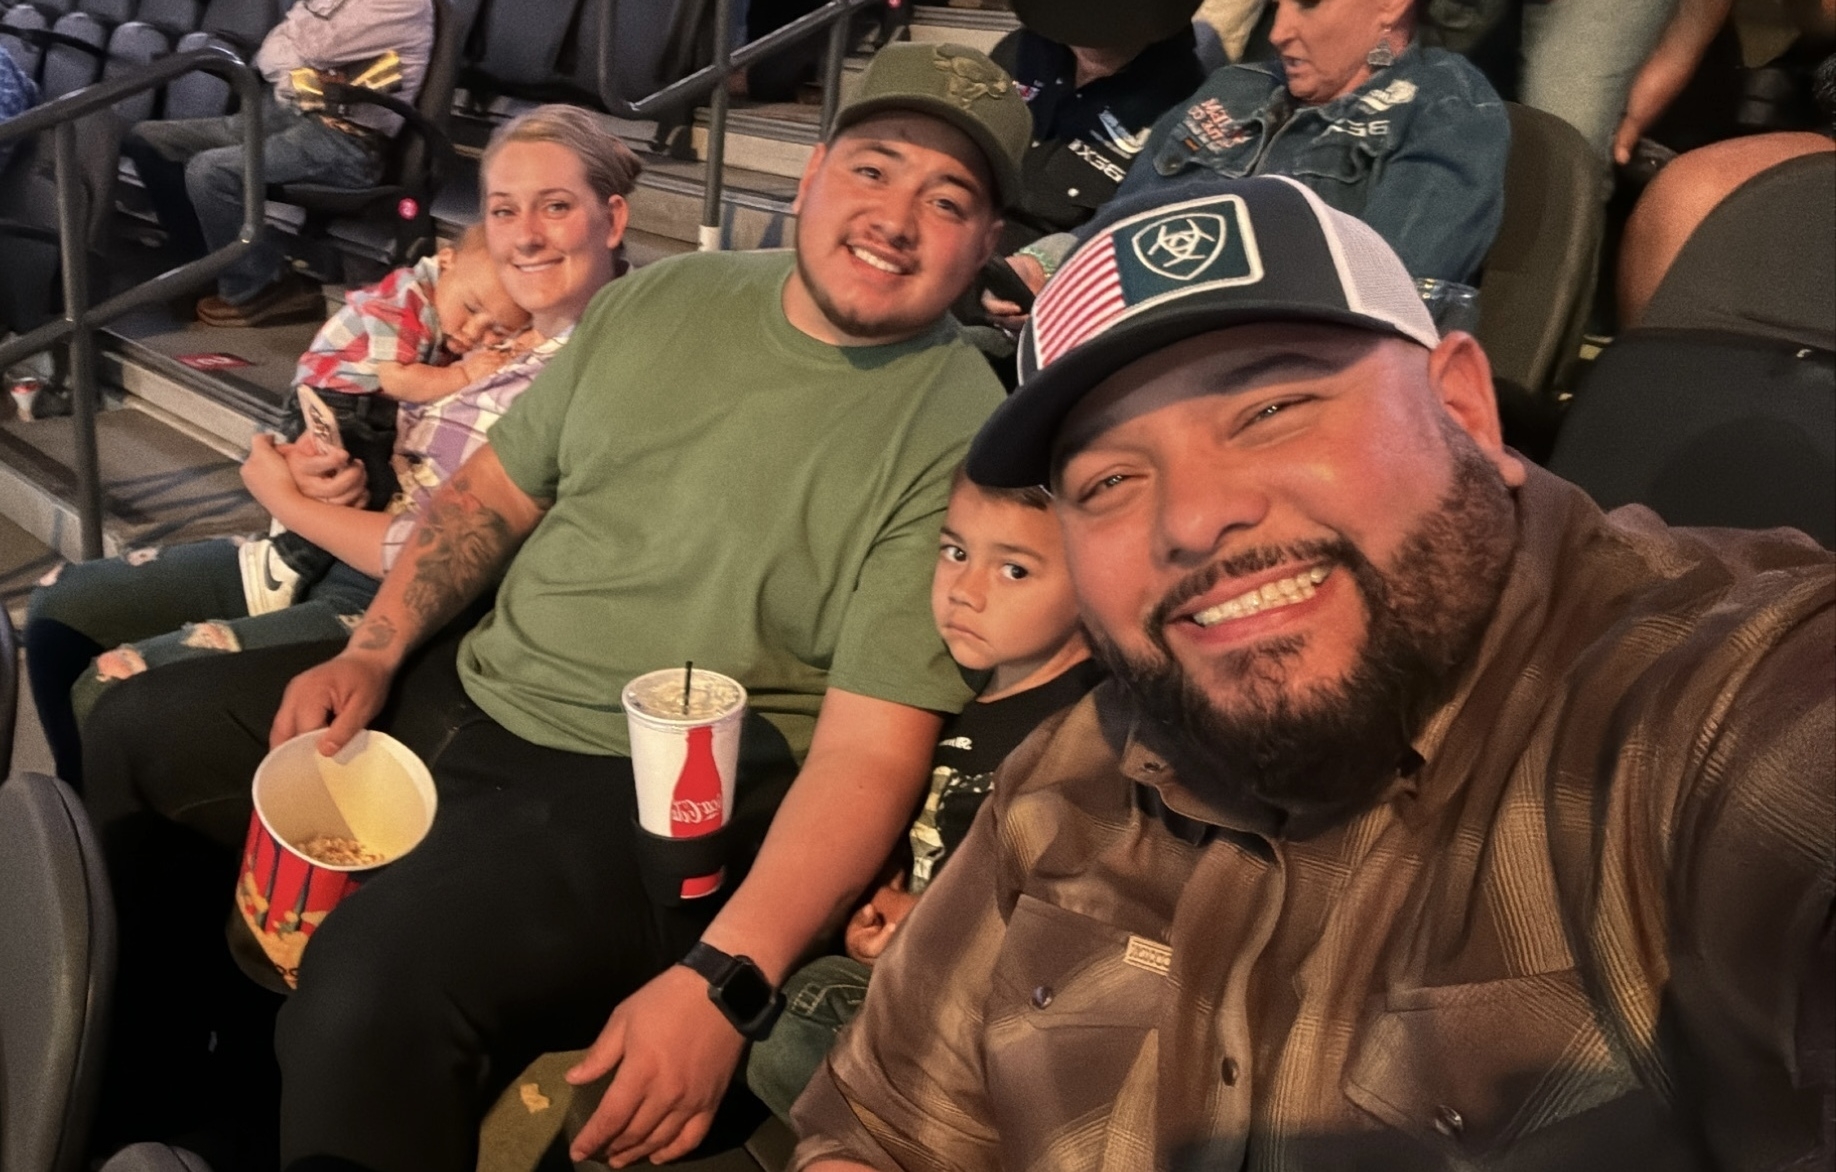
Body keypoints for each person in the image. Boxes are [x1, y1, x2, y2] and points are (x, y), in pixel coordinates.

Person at [75, 41, 1029, 1172]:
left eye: (947, 200)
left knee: (369, 985)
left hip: (641, 796)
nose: (896, 219)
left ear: (985, 242)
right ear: (814, 171)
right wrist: (373, 649)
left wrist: (724, 981)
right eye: (874, 169)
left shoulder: (960, 433)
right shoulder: (666, 298)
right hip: (466, 684)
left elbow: (872, 748)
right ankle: (163, 1112)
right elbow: (492, 491)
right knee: (138, 733)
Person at [790, 178, 1834, 1170]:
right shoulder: (1076, 767)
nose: (1194, 517)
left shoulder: (1720, 699)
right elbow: (885, 1129)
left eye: (1272, 409)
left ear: (1464, 410)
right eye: (1109, 479)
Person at [24, 104, 637, 793]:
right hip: (337, 542)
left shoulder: (599, 363)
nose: (524, 235)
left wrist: (283, 499)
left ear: (611, 219)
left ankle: (108, 849)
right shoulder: (491, 321)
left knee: (113, 693)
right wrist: (310, 466)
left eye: (555, 206)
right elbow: (366, 412)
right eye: (503, 210)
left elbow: (448, 546)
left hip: (409, 604)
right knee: (60, 607)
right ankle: (77, 829)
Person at [745, 466, 1104, 1121]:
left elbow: (1081, 919)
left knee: (802, 1019)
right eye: (955, 552)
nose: (965, 590)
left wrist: (932, 935)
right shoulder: (949, 701)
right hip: (903, 983)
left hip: (1001, 1016)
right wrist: (876, 912)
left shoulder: (1089, 732)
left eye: (1014, 570)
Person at [988, 0, 1509, 332]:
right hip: (1127, 344)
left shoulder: (1444, 107)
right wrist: (1047, 265)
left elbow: (1384, 297)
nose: (1279, 31)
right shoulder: (1235, 86)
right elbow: (1120, 221)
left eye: (1307, 4)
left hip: (1274, 378)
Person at [243, 222, 534, 613]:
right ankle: (284, 558)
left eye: (497, 330)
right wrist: (465, 374)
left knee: (368, 487)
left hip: (368, 408)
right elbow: (398, 380)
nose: (474, 333)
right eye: (471, 308)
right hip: (338, 401)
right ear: (446, 260)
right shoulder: (405, 299)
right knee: (362, 483)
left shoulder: (443, 308)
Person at [120, 0, 434, 327]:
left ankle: (263, 282)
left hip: (346, 140)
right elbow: (271, 53)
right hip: (289, 110)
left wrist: (297, 53)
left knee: (211, 172)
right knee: (149, 140)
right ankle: (207, 266)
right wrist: (299, 57)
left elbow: (316, 49)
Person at [988, 0, 1208, 252]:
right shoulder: (1022, 48)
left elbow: (1137, 240)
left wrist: (1042, 261)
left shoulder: (1188, 113)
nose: (1091, 41)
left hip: (1053, 263)